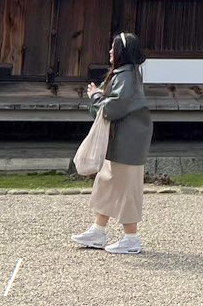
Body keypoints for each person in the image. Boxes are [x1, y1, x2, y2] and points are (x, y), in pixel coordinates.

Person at [72, 31, 153, 254]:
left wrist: (96, 96)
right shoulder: (126, 74)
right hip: (122, 139)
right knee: (106, 182)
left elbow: (113, 108)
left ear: (121, 52)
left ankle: (131, 239)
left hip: (128, 141)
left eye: (113, 48)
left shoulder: (126, 77)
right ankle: (99, 230)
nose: (109, 51)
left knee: (127, 188)